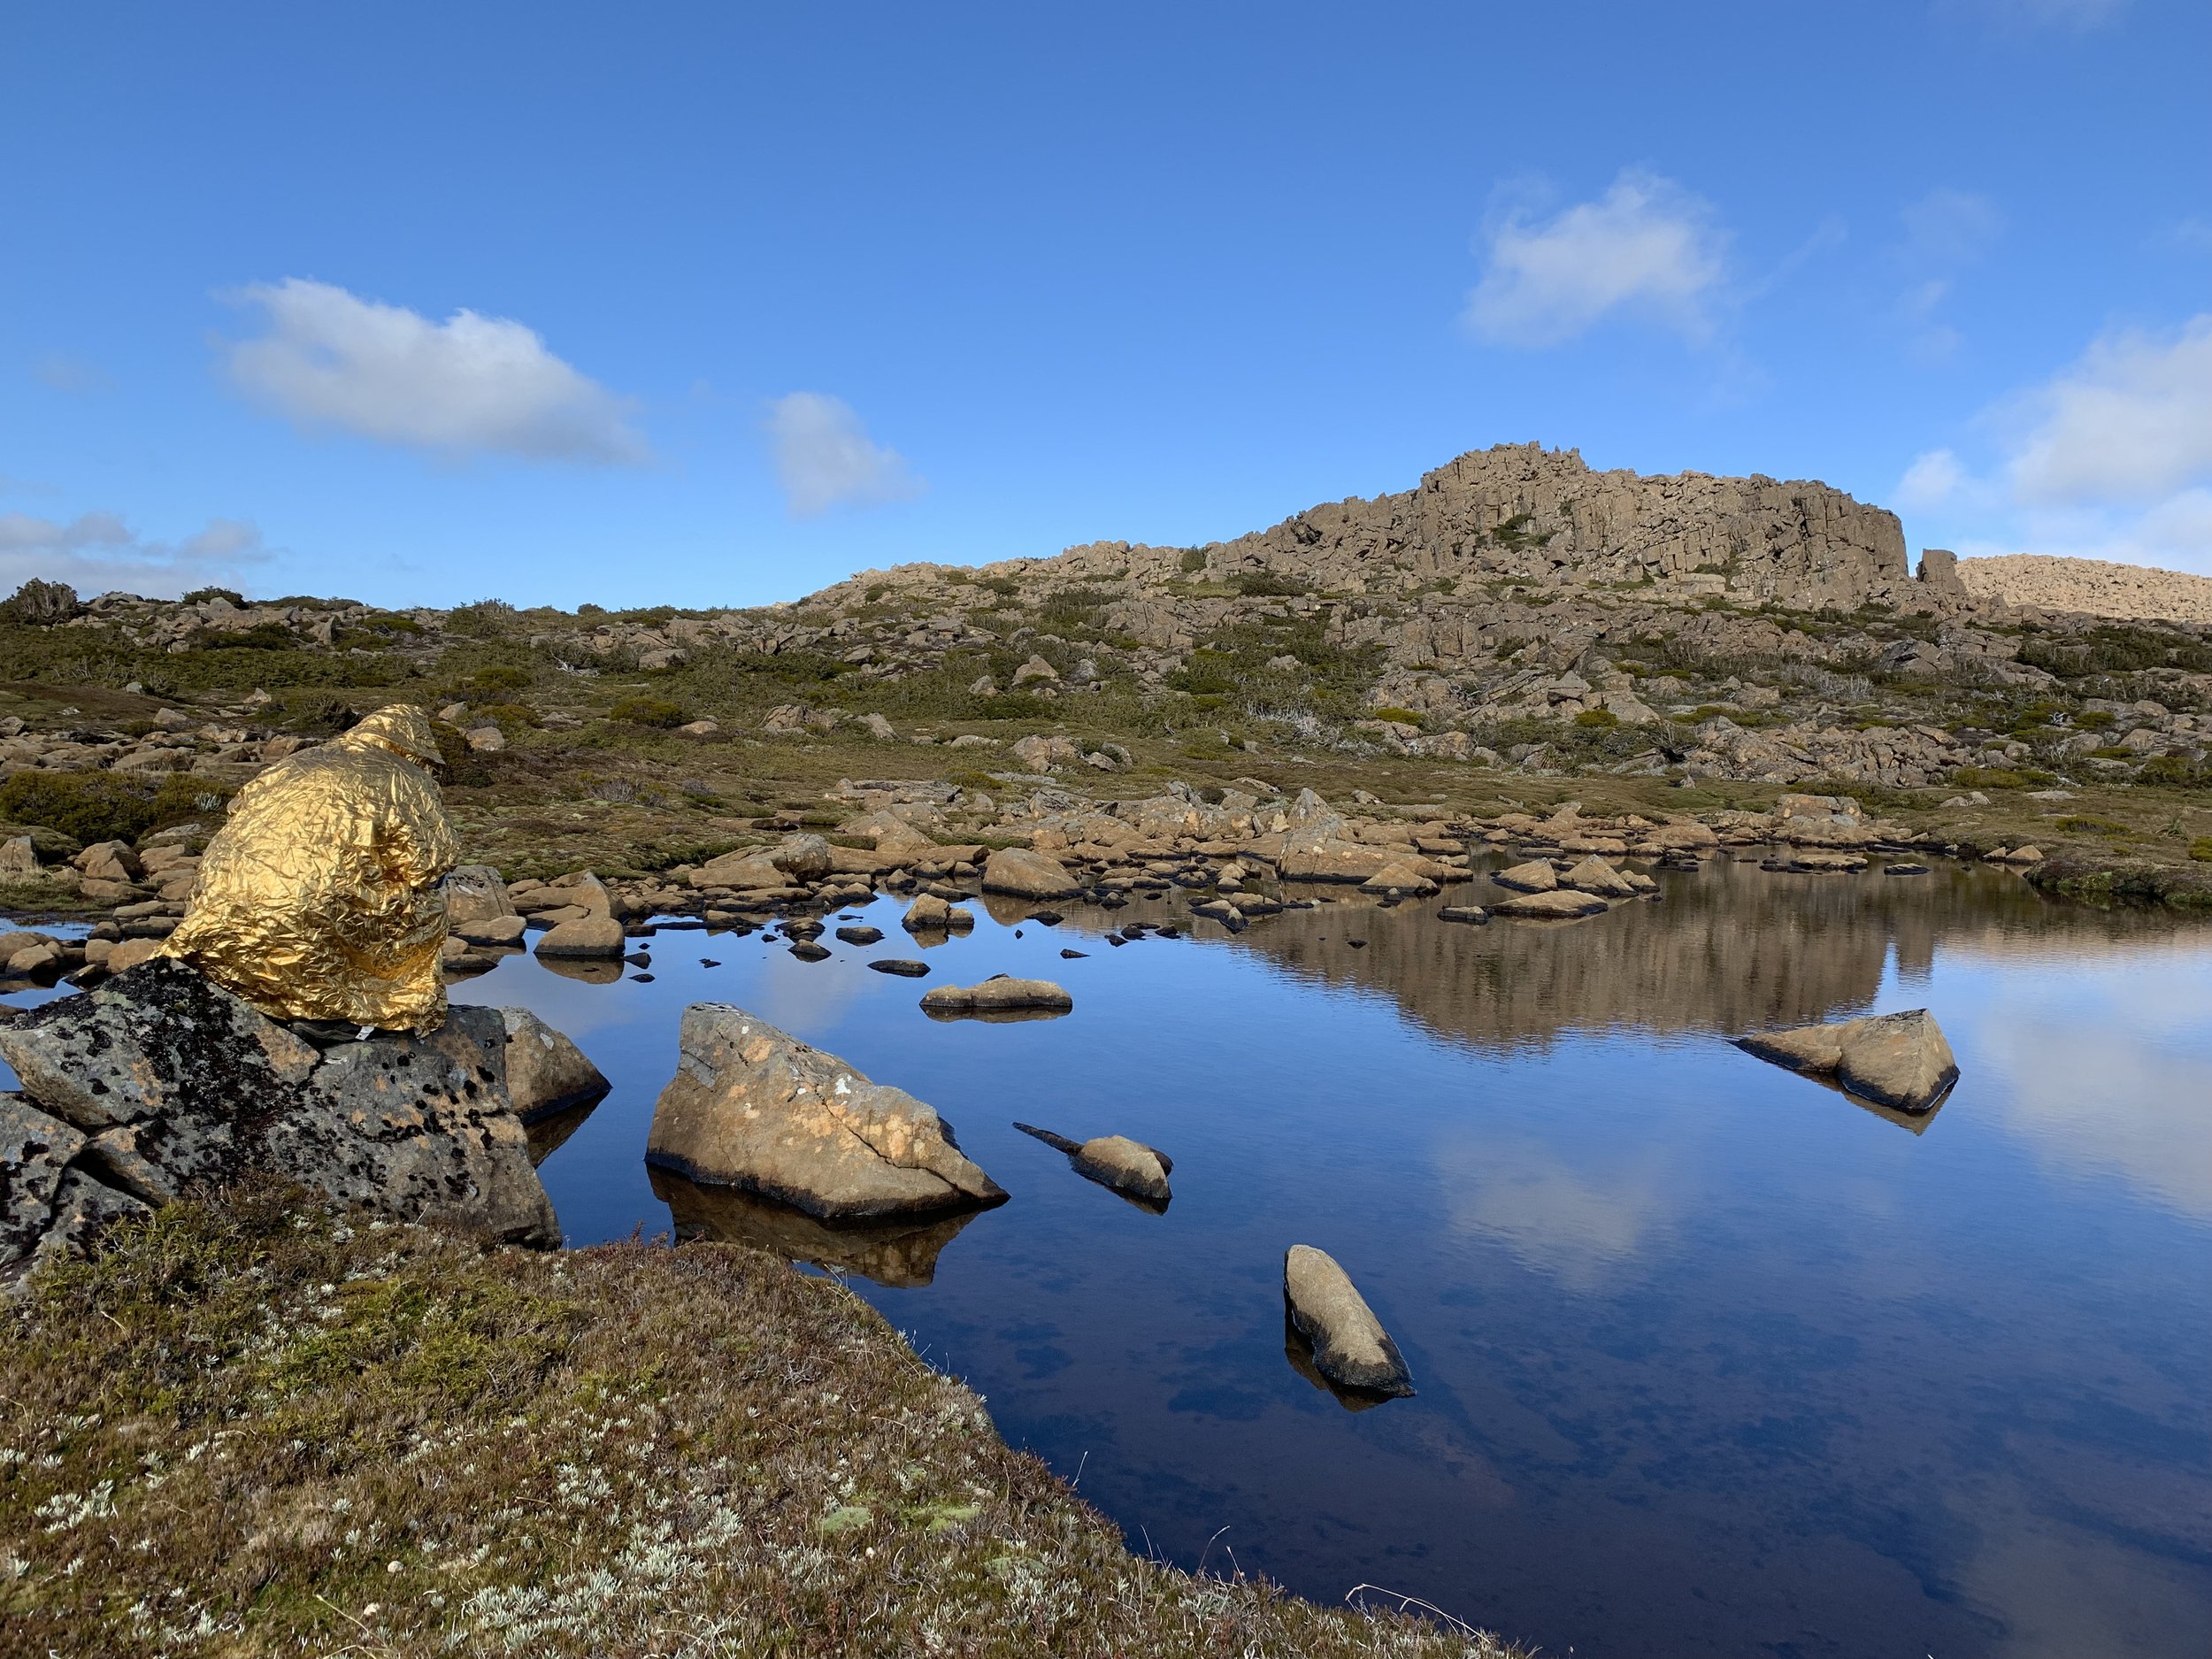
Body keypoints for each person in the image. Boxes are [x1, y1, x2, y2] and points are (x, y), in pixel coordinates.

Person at [158, 703, 458, 1033]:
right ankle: (365, 1004)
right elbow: (430, 863)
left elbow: (238, 808)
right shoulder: (407, 778)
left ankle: (254, 990)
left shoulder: (299, 760)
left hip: (226, 896)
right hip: (314, 909)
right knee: (430, 902)